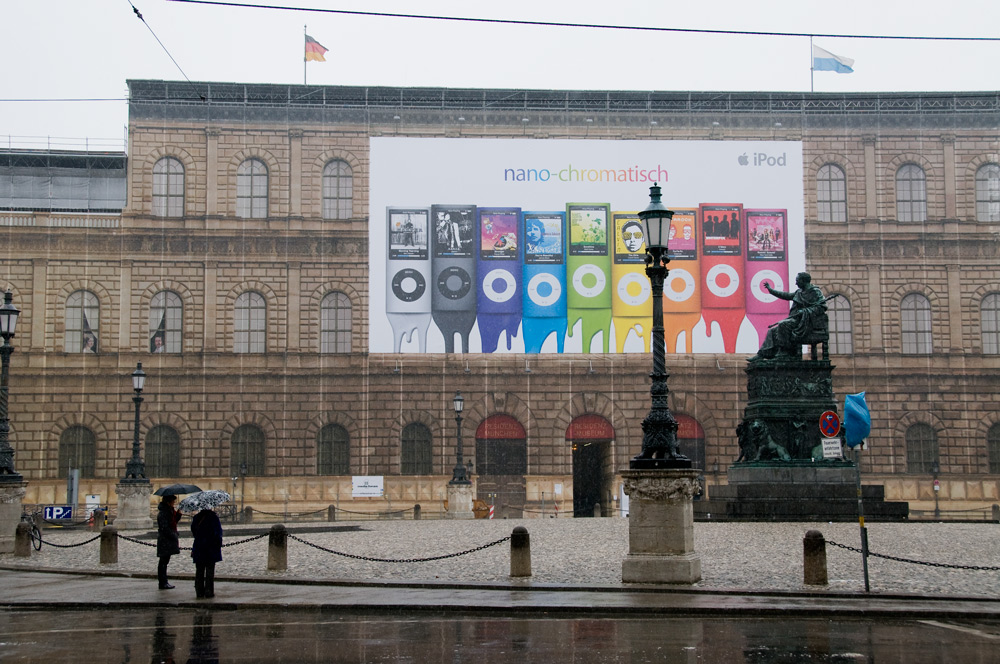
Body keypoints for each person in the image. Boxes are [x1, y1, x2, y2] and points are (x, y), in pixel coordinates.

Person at [756, 272, 828, 359]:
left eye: (797, 281)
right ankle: (763, 354)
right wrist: (771, 290)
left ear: (803, 281)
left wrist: (805, 311)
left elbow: (822, 307)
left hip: (806, 322)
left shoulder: (815, 292)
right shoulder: (799, 292)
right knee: (772, 330)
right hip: (797, 321)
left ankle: (784, 352)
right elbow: (787, 295)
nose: (796, 283)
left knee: (783, 325)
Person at [191, 507, 223, 599]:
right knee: (209, 570)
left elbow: (193, 530)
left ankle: (199, 591)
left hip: (199, 546)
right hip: (210, 547)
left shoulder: (197, 517)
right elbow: (218, 533)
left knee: (199, 571)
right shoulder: (213, 518)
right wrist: (218, 544)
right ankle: (209, 591)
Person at [156, 495, 181, 590]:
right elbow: (165, 528)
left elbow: (173, 522)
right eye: (173, 502)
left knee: (164, 562)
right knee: (163, 562)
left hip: (167, 540)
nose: (174, 503)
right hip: (165, 540)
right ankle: (162, 582)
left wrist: (178, 514)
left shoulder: (168, 512)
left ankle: (164, 581)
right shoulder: (164, 513)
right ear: (168, 502)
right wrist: (174, 535)